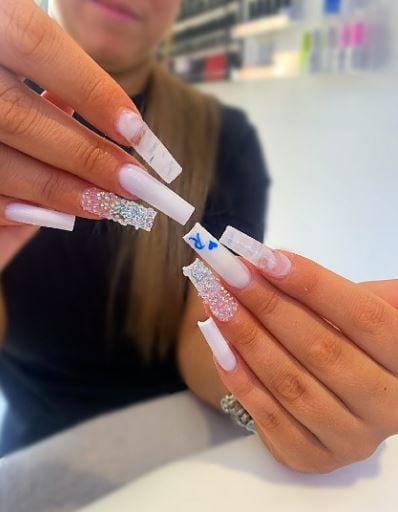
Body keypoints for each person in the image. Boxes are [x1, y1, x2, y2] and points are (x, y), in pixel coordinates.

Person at [0, 0, 397, 474]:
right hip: (36, 450)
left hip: (189, 447)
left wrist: (275, 394)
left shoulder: (224, 137)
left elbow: (203, 332)